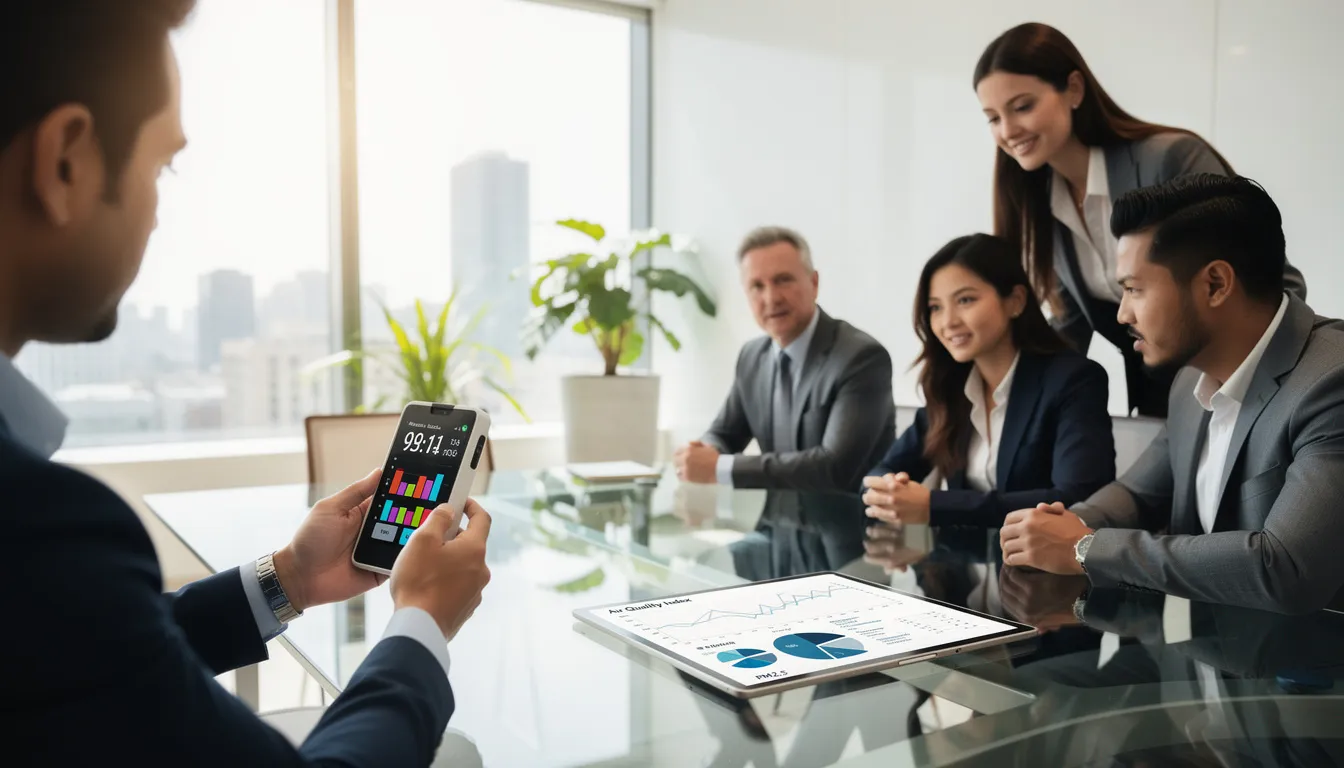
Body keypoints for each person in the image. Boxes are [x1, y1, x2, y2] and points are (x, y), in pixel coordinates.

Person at [2, 3, 490, 764]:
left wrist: (288, 577)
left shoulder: (45, 548)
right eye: (163, 166)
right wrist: (422, 621)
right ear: (65, 160)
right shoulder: (40, 528)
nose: (160, 211)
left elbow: (87, 658)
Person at [1000, 174, 1344, 615]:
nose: (1122, 313)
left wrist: (1086, 547)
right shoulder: (1190, 382)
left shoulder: (1331, 381)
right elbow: (1140, 494)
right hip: (1208, 661)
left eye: (1133, 289)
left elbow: (1287, 568)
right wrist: (1062, 525)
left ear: (1216, 284)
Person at [973, 22, 1307, 418]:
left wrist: (1266, 398)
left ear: (1075, 90)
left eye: (1022, 106)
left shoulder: (1169, 159)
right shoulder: (1040, 200)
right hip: (1155, 395)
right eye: (993, 118)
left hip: (1237, 387)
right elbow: (1072, 322)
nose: (1008, 131)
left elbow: (1275, 282)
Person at [862, 234, 1115, 528]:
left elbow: (1079, 498)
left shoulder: (1073, 380)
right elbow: (881, 472)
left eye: (965, 300)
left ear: (1016, 302)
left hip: (1043, 569)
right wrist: (888, 491)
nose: (948, 322)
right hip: (965, 567)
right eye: (935, 308)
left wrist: (934, 506)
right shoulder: (950, 387)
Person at [674, 226, 895, 492]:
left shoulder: (861, 358)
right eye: (757, 286)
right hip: (777, 525)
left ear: (814, 283)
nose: (771, 298)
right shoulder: (752, 356)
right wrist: (702, 452)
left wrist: (720, 468)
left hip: (850, 527)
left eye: (783, 280)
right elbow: (724, 434)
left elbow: (834, 468)